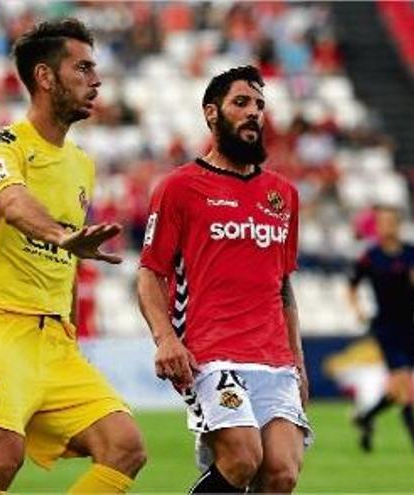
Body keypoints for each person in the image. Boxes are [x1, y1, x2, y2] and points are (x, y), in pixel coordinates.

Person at [0, 18, 146, 494]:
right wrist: (61, 235)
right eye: (83, 68)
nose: (95, 80)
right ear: (45, 77)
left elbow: (66, 264)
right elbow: (13, 204)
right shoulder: (2, 147)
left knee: (125, 446)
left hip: (52, 337)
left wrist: (70, 322)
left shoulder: (81, 164)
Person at [137, 65, 313, 494]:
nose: (254, 112)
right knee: (241, 457)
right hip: (211, 355)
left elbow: (282, 287)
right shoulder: (179, 187)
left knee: (282, 475)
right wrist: (165, 338)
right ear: (211, 114)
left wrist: (298, 361)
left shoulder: (282, 195)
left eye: (259, 105)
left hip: (274, 358)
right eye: (241, 103)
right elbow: (149, 273)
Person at [347, 205, 414, 473]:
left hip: (411, 329)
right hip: (386, 328)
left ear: (399, 225)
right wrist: (358, 310)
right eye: (382, 222)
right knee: (405, 386)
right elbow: (352, 285)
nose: (387, 227)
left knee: (398, 390)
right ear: (377, 227)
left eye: (391, 222)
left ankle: (365, 417)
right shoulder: (371, 257)